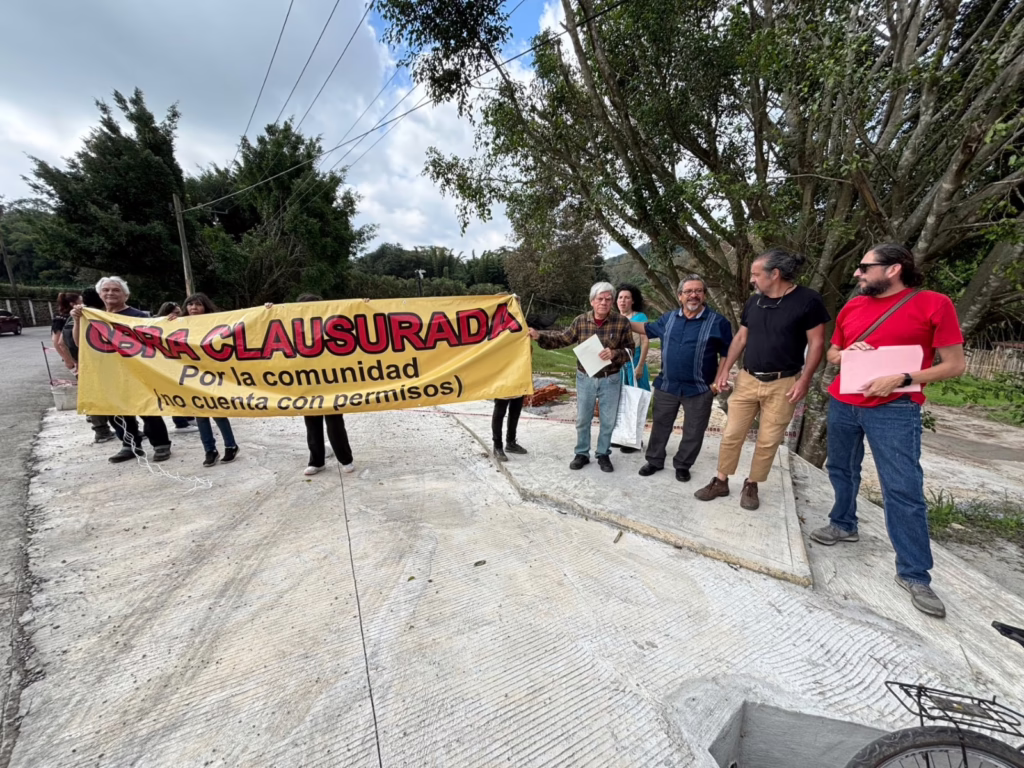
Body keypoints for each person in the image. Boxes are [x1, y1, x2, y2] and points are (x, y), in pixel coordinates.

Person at [811, 244, 965, 619]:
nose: (857, 274)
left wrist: (904, 378)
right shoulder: (853, 306)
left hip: (895, 409)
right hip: (844, 401)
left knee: (902, 488)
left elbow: (955, 365)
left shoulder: (934, 304)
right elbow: (833, 354)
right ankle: (843, 524)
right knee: (840, 469)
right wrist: (846, 354)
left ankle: (914, 574)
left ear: (893, 269)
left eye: (864, 267)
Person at [694, 249, 829, 510]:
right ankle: (721, 481)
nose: (752, 280)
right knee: (732, 433)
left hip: (784, 382)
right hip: (747, 379)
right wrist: (725, 371)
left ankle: (752, 484)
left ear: (775, 274)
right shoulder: (753, 302)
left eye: (756, 274)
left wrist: (804, 381)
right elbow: (741, 338)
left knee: (768, 439)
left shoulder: (808, 300)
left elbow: (816, 344)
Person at [628, 275, 733, 482]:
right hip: (667, 385)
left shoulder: (718, 322)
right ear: (680, 296)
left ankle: (683, 464)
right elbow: (646, 328)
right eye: (688, 291)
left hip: (700, 388)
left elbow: (727, 353)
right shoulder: (668, 319)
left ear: (704, 295)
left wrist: (717, 382)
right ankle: (655, 461)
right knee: (660, 425)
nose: (693, 295)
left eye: (698, 291)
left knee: (694, 431)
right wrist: (619, 320)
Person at [528, 282, 634, 472]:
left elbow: (630, 351)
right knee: (583, 419)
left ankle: (603, 454)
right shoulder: (580, 321)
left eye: (608, 299)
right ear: (592, 301)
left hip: (611, 378)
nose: (604, 302)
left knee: (608, 421)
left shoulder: (621, 322)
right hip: (585, 378)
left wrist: (615, 353)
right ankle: (582, 453)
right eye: (600, 299)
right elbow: (562, 339)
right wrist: (539, 336)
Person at [70, 276, 173, 463]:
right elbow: (80, 344)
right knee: (116, 411)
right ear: (100, 294)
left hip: (137, 372)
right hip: (108, 374)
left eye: (116, 290)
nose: (110, 293)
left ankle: (161, 445)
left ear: (126, 295)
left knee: (148, 409)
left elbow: (156, 341)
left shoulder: (139, 317)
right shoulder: (92, 317)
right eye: (106, 290)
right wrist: (77, 321)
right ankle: (130, 445)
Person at [294, 293, 356, 476]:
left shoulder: (331, 326)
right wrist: (269, 309)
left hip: (330, 382)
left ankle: (345, 459)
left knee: (334, 423)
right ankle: (317, 461)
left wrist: (364, 305)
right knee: (312, 424)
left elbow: (356, 317)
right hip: (307, 381)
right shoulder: (295, 329)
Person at [180, 293, 239, 467]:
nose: (193, 308)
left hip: (213, 374)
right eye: (190, 304)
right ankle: (209, 450)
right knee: (200, 414)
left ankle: (230, 445)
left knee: (217, 412)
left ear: (205, 307)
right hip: (191, 374)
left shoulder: (217, 323)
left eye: (198, 305)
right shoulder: (179, 324)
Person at [61, 289, 117, 444]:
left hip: (83, 363)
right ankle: (118, 429)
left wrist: (72, 363)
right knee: (110, 396)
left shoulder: (73, 317)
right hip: (100, 363)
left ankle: (101, 432)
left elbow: (61, 342)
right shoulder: (96, 317)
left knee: (94, 396)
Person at [612, 283, 650, 454]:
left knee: (635, 401)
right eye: (620, 297)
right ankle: (621, 437)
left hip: (634, 365)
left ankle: (635, 440)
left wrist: (640, 365)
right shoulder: (613, 318)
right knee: (620, 402)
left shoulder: (640, 317)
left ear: (633, 301)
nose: (623, 300)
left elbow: (645, 342)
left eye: (627, 297)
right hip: (618, 367)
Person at [155, 301, 195, 431]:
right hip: (167, 365)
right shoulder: (157, 326)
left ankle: (188, 417)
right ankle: (180, 422)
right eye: (176, 313)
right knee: (174, 392)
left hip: (180, 363)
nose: (180, 315)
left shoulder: (180, 323)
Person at [52, 292, 81, 371]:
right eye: (80, 301)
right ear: (72, 304)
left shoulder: (66, 316)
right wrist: (68, 360)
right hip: (74, 359)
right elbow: (58, 342)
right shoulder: (64, 318)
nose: (83, 303)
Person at [491, 396, 527, 461]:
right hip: (503, 388)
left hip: (518, 388)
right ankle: (497, 446)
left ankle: (511, 443)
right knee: (499, 415)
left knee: (515, 414)